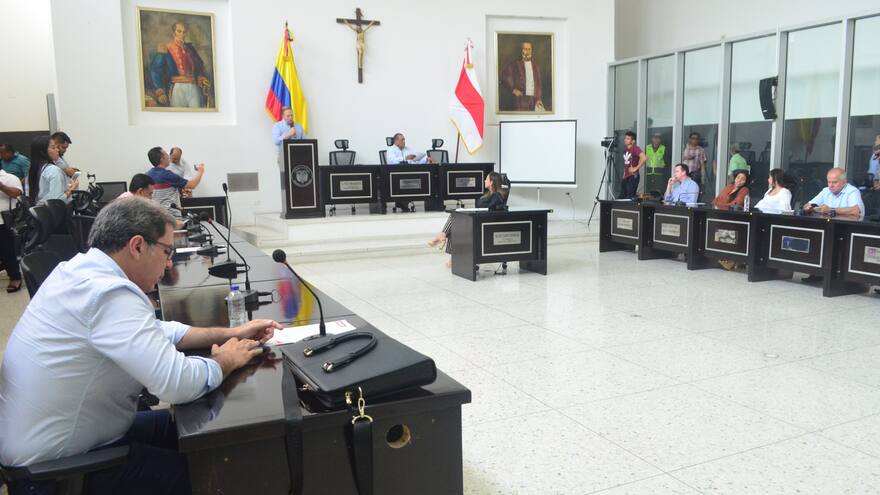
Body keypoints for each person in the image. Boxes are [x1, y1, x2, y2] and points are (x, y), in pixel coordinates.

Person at [0, 198, 281, 494]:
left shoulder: (77, 271)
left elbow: (157, 330)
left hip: (67, 444)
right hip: (57, 474)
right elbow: (177, 384)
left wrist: (228, 333)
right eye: (167, 251)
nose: (169, 262)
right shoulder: (108, 293)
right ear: (137, 246)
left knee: (198, 432)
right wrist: (226, 360)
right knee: (219, 475)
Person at [428, 172, 505, 265]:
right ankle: (446, 243)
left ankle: (443, 236)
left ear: (492, 182)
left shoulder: (497, 196)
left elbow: (488, 210)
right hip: (478, 221)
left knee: (455, 220)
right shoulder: (489, 194)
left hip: (484, 226)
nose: (484, 181)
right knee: (455, 217)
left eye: (486, 179)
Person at [148, 20, 212, 108]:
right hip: (176, 88)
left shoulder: (190, 49)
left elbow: (199, 65)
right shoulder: (166, 49)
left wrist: (201, 77)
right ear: (174, 33)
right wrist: (160, 91)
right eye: (179, 31)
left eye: (184, 31)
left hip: (193, 87)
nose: (182, 34)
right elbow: (155, 70)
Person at [145, 147, 205, 219]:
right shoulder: (168, 175)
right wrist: (200, 171)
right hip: (171, 218)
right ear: (162, 159)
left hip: (155, 217)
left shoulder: (147, 175)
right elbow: (192, 185)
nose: (168, 157)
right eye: (166, 155)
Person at [27, 135, 79, 205]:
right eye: (53, 147)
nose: (57, 150)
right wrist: (71, 189)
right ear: (43, 152)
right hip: (53, 213)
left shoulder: (34, 169)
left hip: (39, 210)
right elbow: (56, 201)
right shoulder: (53, 170)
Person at [500, 41, 545, 112]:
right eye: (525, 49)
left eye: (529, 49)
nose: (527, 51)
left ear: (531, 50)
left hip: (533, 101)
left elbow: (538, 84)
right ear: (521, 50)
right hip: (520, 101)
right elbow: (504, 77)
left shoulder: (535, 66)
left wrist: (538, 99)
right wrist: (512, 89)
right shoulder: (514, 64)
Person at [0, 167, 23, 292]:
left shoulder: (10, 178)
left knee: (7, 251)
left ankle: (15, 277)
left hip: (3, 221)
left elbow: (17, 193)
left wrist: (2, 186)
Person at [619, 131, 646, 199]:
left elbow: (644, 157)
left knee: (629, 197)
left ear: (633, 141)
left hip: (632, 176)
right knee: (622, 197)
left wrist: (636, 168)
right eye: (625, 138)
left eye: (628, 138)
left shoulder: (635, 148)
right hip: (626, 176)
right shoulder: (625, 150)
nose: (625, 140)